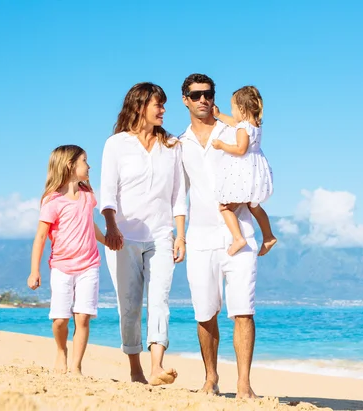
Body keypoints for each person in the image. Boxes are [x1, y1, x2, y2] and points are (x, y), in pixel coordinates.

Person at [100, 82, 186, 386]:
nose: (163, 110)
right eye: (157, 105)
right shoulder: (116, 145)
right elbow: (108, 192)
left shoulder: (172, 145)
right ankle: (135, 370)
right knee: (130, 303)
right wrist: (111, 228)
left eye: (163, 105)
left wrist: (180, 235)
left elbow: (179, 195)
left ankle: (156, 366)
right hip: (124, 238)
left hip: (162, 234)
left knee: (159, 298)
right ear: (139, 107)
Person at [179, 73, 258, 398]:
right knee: (204, 310)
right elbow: (176, 194)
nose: (203, 100)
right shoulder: (178, 144)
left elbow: (258, 170)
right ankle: (210, 379)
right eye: (196, 95)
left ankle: (243, 385)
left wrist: (244, 199)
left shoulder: (234, 131)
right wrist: (179, 235)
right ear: (185, 99)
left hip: (240, 234)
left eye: (208, 94)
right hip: (199, 237)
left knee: (243, 310)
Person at [27, 144, 105, 375]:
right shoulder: (52, 201)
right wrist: (35, 271)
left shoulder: (87, 195)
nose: (89, 166)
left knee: (83, 318)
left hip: (89, 265)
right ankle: (61, 351)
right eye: (84, 161)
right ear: (70, 165)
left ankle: (76, 367)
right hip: (62, 267)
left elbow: (89, 224)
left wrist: (106, 240)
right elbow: (41, 237)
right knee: (60, 319)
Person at [212, 86, 277, 256]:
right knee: (254, 205)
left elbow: (241, 149)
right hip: (256, 172)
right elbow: (235, 123)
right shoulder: (254, 125)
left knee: (225, 207)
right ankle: (268, 236)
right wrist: (218, 115)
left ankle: (238, 238)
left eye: (233, 108)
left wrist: (221, 146)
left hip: (243, 171)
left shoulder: (243, 128)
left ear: (241, 108)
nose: (232, 112)